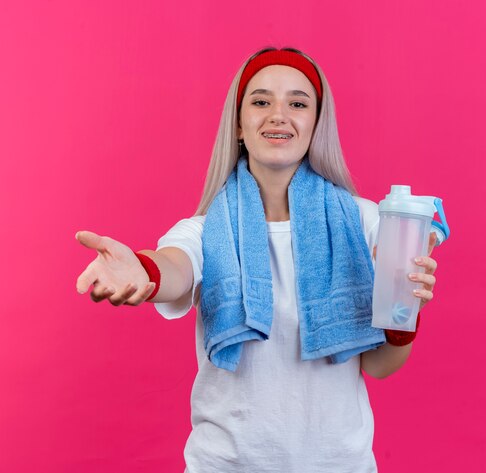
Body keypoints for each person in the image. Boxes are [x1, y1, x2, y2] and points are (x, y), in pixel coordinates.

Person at [75, 47, 438, 473]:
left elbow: (379, 366)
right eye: (261, 101)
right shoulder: (204, 230)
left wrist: (403, 303)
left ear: (316, 125)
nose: (278, 115)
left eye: (298, 103)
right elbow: (175, 266)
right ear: (239, 125)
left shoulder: (369, 224)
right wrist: (145, 271)